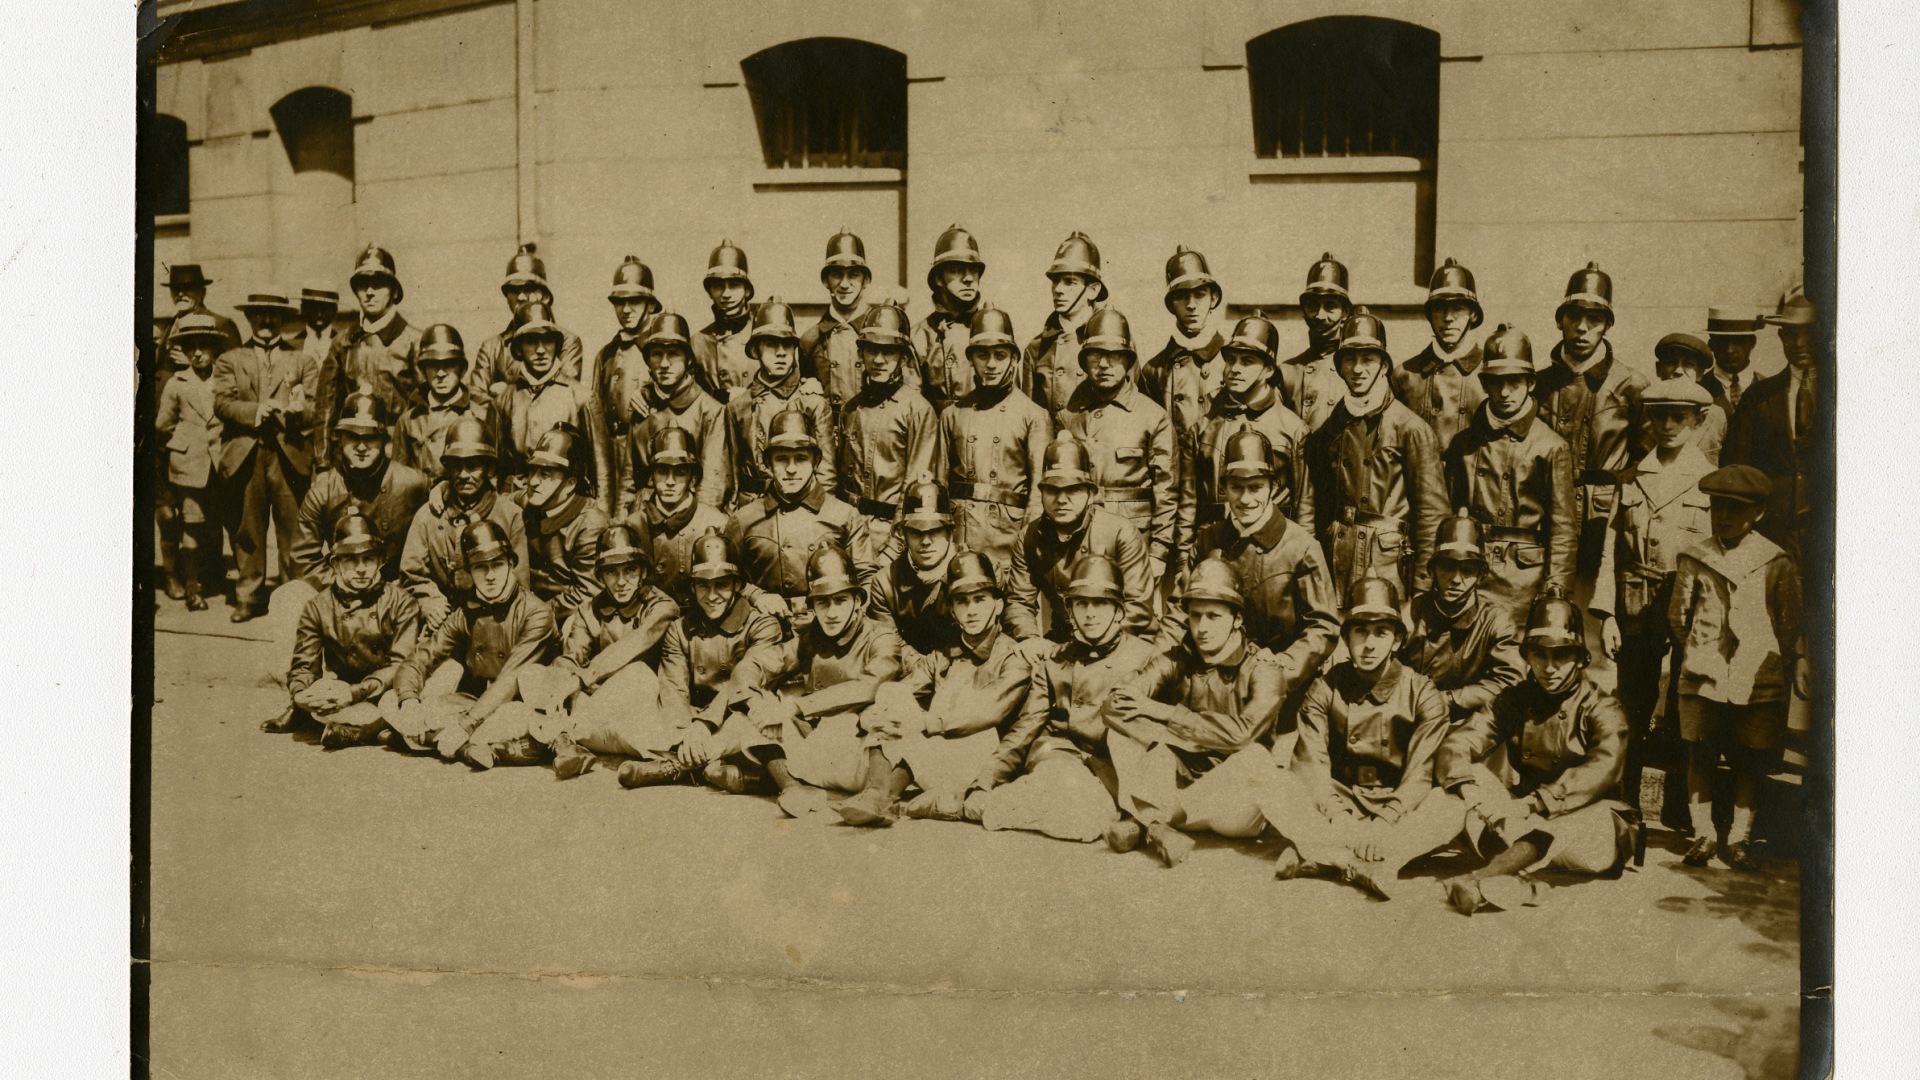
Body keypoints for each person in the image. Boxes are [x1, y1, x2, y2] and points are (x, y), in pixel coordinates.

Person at [1433, 587, 1635, 914]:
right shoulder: (1514, 699)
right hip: (1523, 821)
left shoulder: (1604, 706)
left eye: (1561, 655)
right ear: (1527, 656)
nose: (1549, 667)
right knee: (1459, 788)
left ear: (1581, 658)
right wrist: (1469, 790)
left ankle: (1476, 878)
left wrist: (1535, 802)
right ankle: (1525, 885)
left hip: (1593, 833)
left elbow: (1603, 767)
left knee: (1567, 822)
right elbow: (1461, 741)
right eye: (1539, 654)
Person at [1261, 576, 1462, 899]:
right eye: (1360, 631)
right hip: (1341, 804)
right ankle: (1362, 865)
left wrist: (1386, 819)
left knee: (1451, 807)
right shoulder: (1327, 686)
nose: (1369, 644)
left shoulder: (1422, 691)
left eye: (1381, 632)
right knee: (1274, 783)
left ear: (1397, 640)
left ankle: (1326, 859)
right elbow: (1310, 761)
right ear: (1347, 637)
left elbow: (1421, 773)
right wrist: (1339, 816)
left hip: (1398, 810)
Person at [1102, 555, 1292, 867]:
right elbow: (1115, 704)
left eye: (1214, 616)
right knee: (1119, 734)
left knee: (1254, 757)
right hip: (1181, 794)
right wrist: (1187, 737)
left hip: (1232, 807)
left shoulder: (1265, 668)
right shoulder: (1177, 658)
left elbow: (1241, 734)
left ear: (1238, 618)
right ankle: (1156, 826)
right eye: (1195, 616)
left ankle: (1147, 824)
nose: (1202, 628)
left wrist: (1164, 714)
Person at [1668, 465, 1803, 873]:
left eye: (1735, 509)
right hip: (1704, 673)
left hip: (1755, 676)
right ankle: (1703, 834)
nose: (1723, 517)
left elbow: (1788, 620)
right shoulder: (1696, 556)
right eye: (1717, 508)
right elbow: (1679, 616)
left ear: (1758, 514)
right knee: (1701, 753)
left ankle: (1741, 836)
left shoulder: (1774, 560)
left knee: (1750, 756)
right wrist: (1702, 651)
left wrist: (1763, 658)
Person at [1592, 379, 1716, 821]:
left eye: (1678, 417)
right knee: (1634, 704)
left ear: (1698, 422)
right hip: (1634, 605)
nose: (1667, 426)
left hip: (1688, 608)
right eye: (1659, 415)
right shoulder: (1631, 478)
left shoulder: (1709, 482)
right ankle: (1625, 803)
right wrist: (1606, 615)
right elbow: (1611, 550)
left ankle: (1681, 807)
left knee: (1687, 705)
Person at [968, 555, 1160, 841]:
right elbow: (1025, 729)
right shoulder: (1056, 661)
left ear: (1119, 611)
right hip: (1058, 756)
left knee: (1086, 814)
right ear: (1070, 610)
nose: (1090, 614)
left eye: (1100, 603)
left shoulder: (1146, 658)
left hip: (1111, 769)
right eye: (1081, 603)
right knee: (1073, 798)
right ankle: (985, 802)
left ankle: (989, 807)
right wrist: (985, 780)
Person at [837, 552, 1035, 826]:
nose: (972, 610)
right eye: (961, 602)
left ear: (999, 606)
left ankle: (886, 796)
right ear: (952, 610)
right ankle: (877, 793)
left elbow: (992, 710)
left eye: (980, 599)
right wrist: (870, 715)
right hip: (937, 760)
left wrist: (925, 722)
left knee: (958, 709)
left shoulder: (1013, 655)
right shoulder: (943, 654)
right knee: (890, 693)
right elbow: (903, 690)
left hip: (983, 764)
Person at [716, 546, 905, 819]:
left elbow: (869, 686)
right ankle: (792, 788)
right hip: (816, 753)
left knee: (891, 696)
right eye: (822, 602)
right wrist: (756, 704)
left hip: (861, 758)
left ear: (857, 600)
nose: (831, 612)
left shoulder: (881, 637)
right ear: (813, 605)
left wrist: (795, 707)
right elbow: (753, 665)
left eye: (840, 600)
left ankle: (877, 796)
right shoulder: (809, 639)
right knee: (754, 709)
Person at [1302, 307, 1446, 609]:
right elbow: (1317, 508)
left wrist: (1422, 589)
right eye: (1349, 360)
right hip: (1337, 561)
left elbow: (1432, 516)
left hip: (1389, 565)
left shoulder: (1411, 429)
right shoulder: (1328, 430)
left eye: (1367, 359)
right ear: (1339, 367)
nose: (1358, 369)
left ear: (1383, 365)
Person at [390, 520, 559, 770]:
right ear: (469, 571)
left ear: (511, 564)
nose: (490, 576)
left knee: (515, 719)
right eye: (480, 567)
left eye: (498, 564)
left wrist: (465, 724)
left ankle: (437, 740)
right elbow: (421, 657)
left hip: (519, 706)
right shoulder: (465, 612)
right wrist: (409, 702)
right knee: (394, 702)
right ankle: (468, 748)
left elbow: (510, 680)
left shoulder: (537, 613)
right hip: (475, 703)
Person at [630, 530, 789, 794]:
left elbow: (744, 681)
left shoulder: (762, 625)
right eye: (703, 584)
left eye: (722, 585)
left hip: (738, 717)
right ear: (692, 587)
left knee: (749, 723)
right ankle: (699, 763)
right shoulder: (680, 629)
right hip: (694, 722)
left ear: (738, 585)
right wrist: (686, 732)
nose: (712, 595)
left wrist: (704, 725)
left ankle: (678, 768)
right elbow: (673, 688)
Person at [1440, 323, 1577, 629]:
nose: (1504, 393)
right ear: (1484, 385)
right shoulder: (1464, 444)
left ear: (1530, 383)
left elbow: (1564, 530)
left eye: (1514, 382)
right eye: (1495, 382)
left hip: (1525, 583)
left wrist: (1555, 591)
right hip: (1472, 574)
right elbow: (1447, 516)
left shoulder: (1551, 446)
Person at [1189, 430, 1340, 704]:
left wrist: (1283, 666)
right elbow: (1179, 612)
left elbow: (1323, 627)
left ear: (1274, 486)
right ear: (1224, 489)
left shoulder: (1302, 548)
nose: (1245, 500)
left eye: (1256, 487)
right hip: (1215, 689)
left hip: (1282, 693)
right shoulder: (1208, 539)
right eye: (1236, 487)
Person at [1533, 262, 1649, 619]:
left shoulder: (1632, 386)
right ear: (1560, 320)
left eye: (1594, 319)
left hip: (1604, 521)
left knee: (1595, 623)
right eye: (1574, 316)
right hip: (1545, 514)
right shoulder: (1536, 385)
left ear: (1607, 325)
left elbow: (1645, 466)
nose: (1582, 328)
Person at [527, 524, 682, 780]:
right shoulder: (588, 610)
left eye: (630, 570)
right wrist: (559, 683)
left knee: (637, 672)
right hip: (595, 718)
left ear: (643, 571)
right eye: (611, 572)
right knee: (534, 674)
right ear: (601, 576)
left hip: (639, 722)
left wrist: (580, 679)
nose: (621, 582)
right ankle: (568, 745)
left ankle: (557, 739)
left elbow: (632, 644)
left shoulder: (662, 606)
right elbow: (570, 657)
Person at [265, 514, 421, 745]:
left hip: (382, 689)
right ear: (335, 564)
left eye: (368, 559)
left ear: (381, 561)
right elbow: (304, 664)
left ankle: (362, 731)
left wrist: (355, 693)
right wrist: (301, 695)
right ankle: (312, 715)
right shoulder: (319, 606)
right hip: (342, 688)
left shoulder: (401, 602)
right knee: (319, 702)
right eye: (350, 560)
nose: (360, 569)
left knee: (405, 699)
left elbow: (400, 665)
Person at [1054, 307, 1178, 597]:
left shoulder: (1153, 417)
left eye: (1115, 356)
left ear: (1128, 361)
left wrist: (1159, 551)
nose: (1105, 365)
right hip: (1079, 538)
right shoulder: (1068, 416)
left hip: (1134, 542)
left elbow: (1167, 492)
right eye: (1096, 355)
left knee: (1133, 620)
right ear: (1084, 361)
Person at [214, 287, 321, 622]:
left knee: (293, 529)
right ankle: (249, 594)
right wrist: (257, 410)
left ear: (284, 320)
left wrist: (299, 411)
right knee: (248, 529)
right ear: (248, 317)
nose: (265, 320)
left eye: (273, 315)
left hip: (289, 453)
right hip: (247, 452)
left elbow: (317, 407)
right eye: (258, 314)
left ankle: (294, 596)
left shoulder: (302, 360)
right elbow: (222, 403)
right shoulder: (230, 359)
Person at [1181, 316, 1313, 554]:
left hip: (1270, 549)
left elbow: (1304, 508)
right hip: (1212, 547)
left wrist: (1298, 557)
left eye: (1247, 361)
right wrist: (1183, 560)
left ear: (1268, 370)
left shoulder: (1294, 429)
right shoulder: (1203, 427)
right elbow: (1188, 503)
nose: (1235, 369)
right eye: (1231, 360)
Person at [1007, 438, 1155, 646]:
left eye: (1073, 489)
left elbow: (1137, 608)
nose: (1061, 499)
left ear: (1090, 493)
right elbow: (1018, 602)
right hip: (1064, 639)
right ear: (1041, 493)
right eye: (1052, 490)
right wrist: (1030, 640)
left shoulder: (1120, 531)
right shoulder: (1029, 536)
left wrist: (1090, 642)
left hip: (1123, 639)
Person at [729, 407, 871, 621]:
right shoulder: (743, 519)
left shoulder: (845, 516)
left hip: (829, 626)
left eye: (801, 458)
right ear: (768, 464)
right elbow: (728, 579)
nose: (791, 469)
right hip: (765, 626)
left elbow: (867, 578)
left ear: (816, 462)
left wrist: (840, 615)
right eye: (782, 459)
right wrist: (756, 596)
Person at [939, 305, 1052, 571]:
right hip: (961, 537)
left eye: (1000, 355)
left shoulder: (1034, 415)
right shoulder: (951, 415)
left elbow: (1039, 491)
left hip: (1008, 540)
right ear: (970, 359)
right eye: (982, 355)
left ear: (1014, 358)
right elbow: (940, 486)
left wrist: (1027, 546)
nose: (991, 364)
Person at [398, 416, 531, 636]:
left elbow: (520, 581)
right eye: (456, 466)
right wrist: (430, 601)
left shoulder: (510, 515)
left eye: (473, 466)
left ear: (488, 467)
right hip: (440, 623)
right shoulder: (429, 515)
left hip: (496, 623)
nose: (463, 475)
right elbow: (411, 574)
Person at [290, 388, 430, 588]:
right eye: (353, 437)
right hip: (344, 590)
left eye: (371, 437)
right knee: (290, 594)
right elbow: (302, 562)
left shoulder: (415, 483)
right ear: (340, 438)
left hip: (400, 590)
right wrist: (350, 585)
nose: (361, 447)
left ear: (384, 439)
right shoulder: (323, 491)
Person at [1722, 284, 1820, 563]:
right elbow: (1737, 467)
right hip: (1772, 534)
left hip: (1831, 532)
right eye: (1792, 334)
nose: (1799, 343)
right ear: (1780, 336)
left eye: (1809, 333)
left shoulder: (1846, 394)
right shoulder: (1758, 397)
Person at [838, 303, 940, 566]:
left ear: (904, 358)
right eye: (872, 350)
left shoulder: (918, 410)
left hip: (891, 535)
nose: (879, 360)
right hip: (849, 531)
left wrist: (895, 546)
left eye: (889, 352)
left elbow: (917, 486)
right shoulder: (850, 408)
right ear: (861, 353)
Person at [494, 301, 612, 515]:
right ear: (519, 347)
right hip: (516, 507)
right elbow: (495, 467)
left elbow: (602, 471)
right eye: (531, 341)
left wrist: (601, 518)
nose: (540, 350)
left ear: (557, 345)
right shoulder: (505, 398)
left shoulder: (581, 397)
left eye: (547, 341)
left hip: (566, 508)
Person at [1401, 516, 1525, 721]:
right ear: (1432, 570)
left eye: (1467, 570)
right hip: (1414, 715)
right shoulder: (1411, 614)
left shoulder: (1496, 621)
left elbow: (1510, 681)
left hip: (1471, 722)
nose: (1456, 579)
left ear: (1480, 575)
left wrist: (1450, 698)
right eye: (1447, 567)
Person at [727, 297, 837, 506]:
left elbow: (826, 474)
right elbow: (730, 472)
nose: (780, 353)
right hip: (753, 506)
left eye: (787, 344)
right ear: (755, 350)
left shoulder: (812, 403)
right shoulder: (738, 406)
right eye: (770, 344)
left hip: (801, 506)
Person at [317, 245, 422, 461]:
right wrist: (323, 463)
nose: (370, 292)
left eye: (379, 284)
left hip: (400, 454)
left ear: (394, 291)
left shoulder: (414, 341)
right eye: (363, 285)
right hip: (352, 453)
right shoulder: (342, 343)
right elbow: (325, 409)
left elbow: (427, 412)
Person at [622, 311, 731, 516]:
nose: (664, 364)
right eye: (656, 354)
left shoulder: (711, 411)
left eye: (674, 354)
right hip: (644, 516)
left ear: (689, 359)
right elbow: (627, 482)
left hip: (689, 519)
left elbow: (712, 488)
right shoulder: (641, 406)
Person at [154, 311, 229, 610]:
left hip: (220, 465)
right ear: (182, 351)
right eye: (190, 347)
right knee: (192, 526)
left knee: (217, 526)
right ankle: (191, 587)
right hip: (190, 467)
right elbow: (162, 425)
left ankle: (215, 579)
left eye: (203, 346)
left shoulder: (224, 381)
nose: (197, 353)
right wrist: (184, 441)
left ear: (214, 348)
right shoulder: (177, 383)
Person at [469, 244, 587, 399]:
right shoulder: (492, 348)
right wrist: (501, 407)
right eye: (514, 290)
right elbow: (477, 398)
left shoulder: (567, 341)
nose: (522, 297)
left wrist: (507, 395)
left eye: (529, 288)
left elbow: (565, 394)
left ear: (545, 296)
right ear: (506, 296)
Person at [1392, 257, 1488, 450]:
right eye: (1439, 309)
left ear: (1473, 314)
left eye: (1458, 308)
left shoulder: (1491, 371)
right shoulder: (1405, 375)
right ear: (1429, 316)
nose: (1448, 318)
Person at [631, 427, 732, 606]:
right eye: (662, 471)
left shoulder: (716, 522)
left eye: (680, 473)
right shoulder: (634, 525)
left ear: (692, 480)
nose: (670, 481)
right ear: (651, 477)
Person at [866, 477, 966, 656]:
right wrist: (923, 672)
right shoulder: (885, 582)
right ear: (903, 535)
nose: (925, 542)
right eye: (915, 532)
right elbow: (889, 644)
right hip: (907, 674)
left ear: (950, 532)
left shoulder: (972, 572)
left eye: (935, 531)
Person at [1139, 245, 1228, 438]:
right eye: (1181, 297)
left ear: (1214, 298)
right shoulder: (1154, 370)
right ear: (1171, 304)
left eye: (1200, 295)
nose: (1191, 305)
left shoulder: (1231, 360)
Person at [520, 426, 612, 613]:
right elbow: (494, 502)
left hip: (565, 616)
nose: (533, 482)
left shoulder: (591, 524)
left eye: (545, 475)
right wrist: (444, 490)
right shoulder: (531, 501)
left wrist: (535, 616)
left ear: (570, 484)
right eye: (532, 472)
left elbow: (587, 593)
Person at [595, 256, 662, 508]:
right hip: (609, 461)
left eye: (634, 301)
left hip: (644, 460)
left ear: (650, 304)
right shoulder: (606, 354)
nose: (626, 310)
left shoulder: (661, 350)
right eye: (620, 302)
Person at [393, 324, 497, 484]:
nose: (441, 374)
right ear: (423, 370)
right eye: (433, 365)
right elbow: (399, 478)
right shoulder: (408, 420)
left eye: (449, 364)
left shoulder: (480, 415)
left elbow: (491, 474)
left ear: (462, 369)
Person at [1024, 232, 1107, 417]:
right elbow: (1027, 417)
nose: (1058, 290)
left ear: (1092, 290)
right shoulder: (1036, 348)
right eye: (1055, 281)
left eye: (1070, 281)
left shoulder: (1114, 340)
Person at [802, 228, 882, 416]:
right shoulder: (810, 339)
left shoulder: (881, 332)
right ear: (825, 281)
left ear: (866, 280)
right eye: (836, 274)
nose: (844, 285)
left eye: (853, 274)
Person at [910, 224, 987, 408]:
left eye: (973, 270)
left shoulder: (991, 329)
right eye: (956, 270)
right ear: (938, 278)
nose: (968, 278)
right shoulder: (919, 336)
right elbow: (909, 406)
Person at [1274, 252, 1352, 431]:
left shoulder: (1357, 369)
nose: (1320, 315)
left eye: (1330, 306)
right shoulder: (1286, 372)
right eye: (1313, 306)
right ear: (1303, 310)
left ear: (1346, 312)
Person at [694, 239, 757, 399]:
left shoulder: (763, 334)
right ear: (709, 292)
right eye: (718, 286)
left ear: (747, 291)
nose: (726, 294)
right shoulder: (698, 342)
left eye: (734, 285)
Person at [1652, 332, 1729, 462]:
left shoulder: (1715, 415)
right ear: (1659, 369)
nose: (1678, 371)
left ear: (1700, 374)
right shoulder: (1646, 409)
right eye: (1671, 362)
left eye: (1688, 364)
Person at [1698, 307, 1765, 415]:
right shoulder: (1698, 389)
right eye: (1722, 341)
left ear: (1753, 342)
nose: (1729, 350)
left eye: (1738, 341)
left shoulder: (1770, 389)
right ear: (1711, 345)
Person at [291, 285, 344, 374]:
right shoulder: (291, 345)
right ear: (302, 308)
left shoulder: (345, 344)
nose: (319, 314)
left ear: (335, 310)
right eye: (313, 307)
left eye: (325, 308)